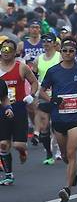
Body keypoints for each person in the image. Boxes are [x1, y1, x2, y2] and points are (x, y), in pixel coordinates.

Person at [38, 37, 77, 202]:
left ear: (75, 53)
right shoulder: (53, 70)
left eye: (71, 51)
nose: (68, 53)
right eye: (65, 51)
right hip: (58, 117)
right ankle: (73, 171)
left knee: (71, 153)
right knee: (64, 154)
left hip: (75, 117)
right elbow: (42, 90)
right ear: (61, 52)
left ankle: (67, 189)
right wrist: (51, 100)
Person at [0, 40, 38, 185]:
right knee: (3, 144)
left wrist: (31, 95)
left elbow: (34, 82)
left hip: (18, 108)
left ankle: (23, 151)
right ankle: (9, 174)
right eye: (3, 49)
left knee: (18, 145)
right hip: (2, 109)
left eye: (9, 49)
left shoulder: (21, 67)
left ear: (15, 52)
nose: (5, 51)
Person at [34, 33, 61, 164]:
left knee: (57, 126)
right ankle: (49, 154)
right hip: (43, 94)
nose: (45, 43)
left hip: (57, 94)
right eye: (43, 40)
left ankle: (59, 151)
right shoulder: (38, 59)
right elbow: (33, 78)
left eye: (48, 41)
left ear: (54, 43)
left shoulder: (60, 56)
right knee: (44, 125)